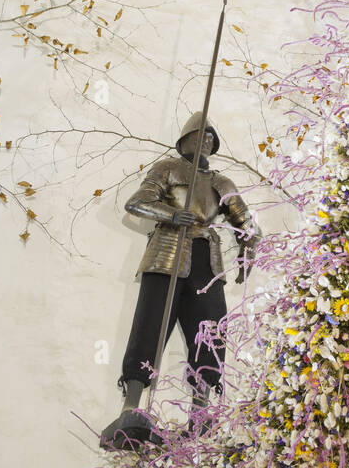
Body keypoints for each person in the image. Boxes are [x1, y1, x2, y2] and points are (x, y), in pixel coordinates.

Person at [100, 112, 259, 450]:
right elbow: (138, 202)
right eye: (201, 135)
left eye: (212, 138)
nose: (207, 141)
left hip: (207, 258)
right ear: (185, 138)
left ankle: (200, 413)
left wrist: (248, 251)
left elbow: (248, 222)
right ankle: (132, 407)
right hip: (168, 254)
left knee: (211, 332)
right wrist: (172, 214)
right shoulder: (168, 168)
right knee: (149, 328)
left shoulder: (222, 182)